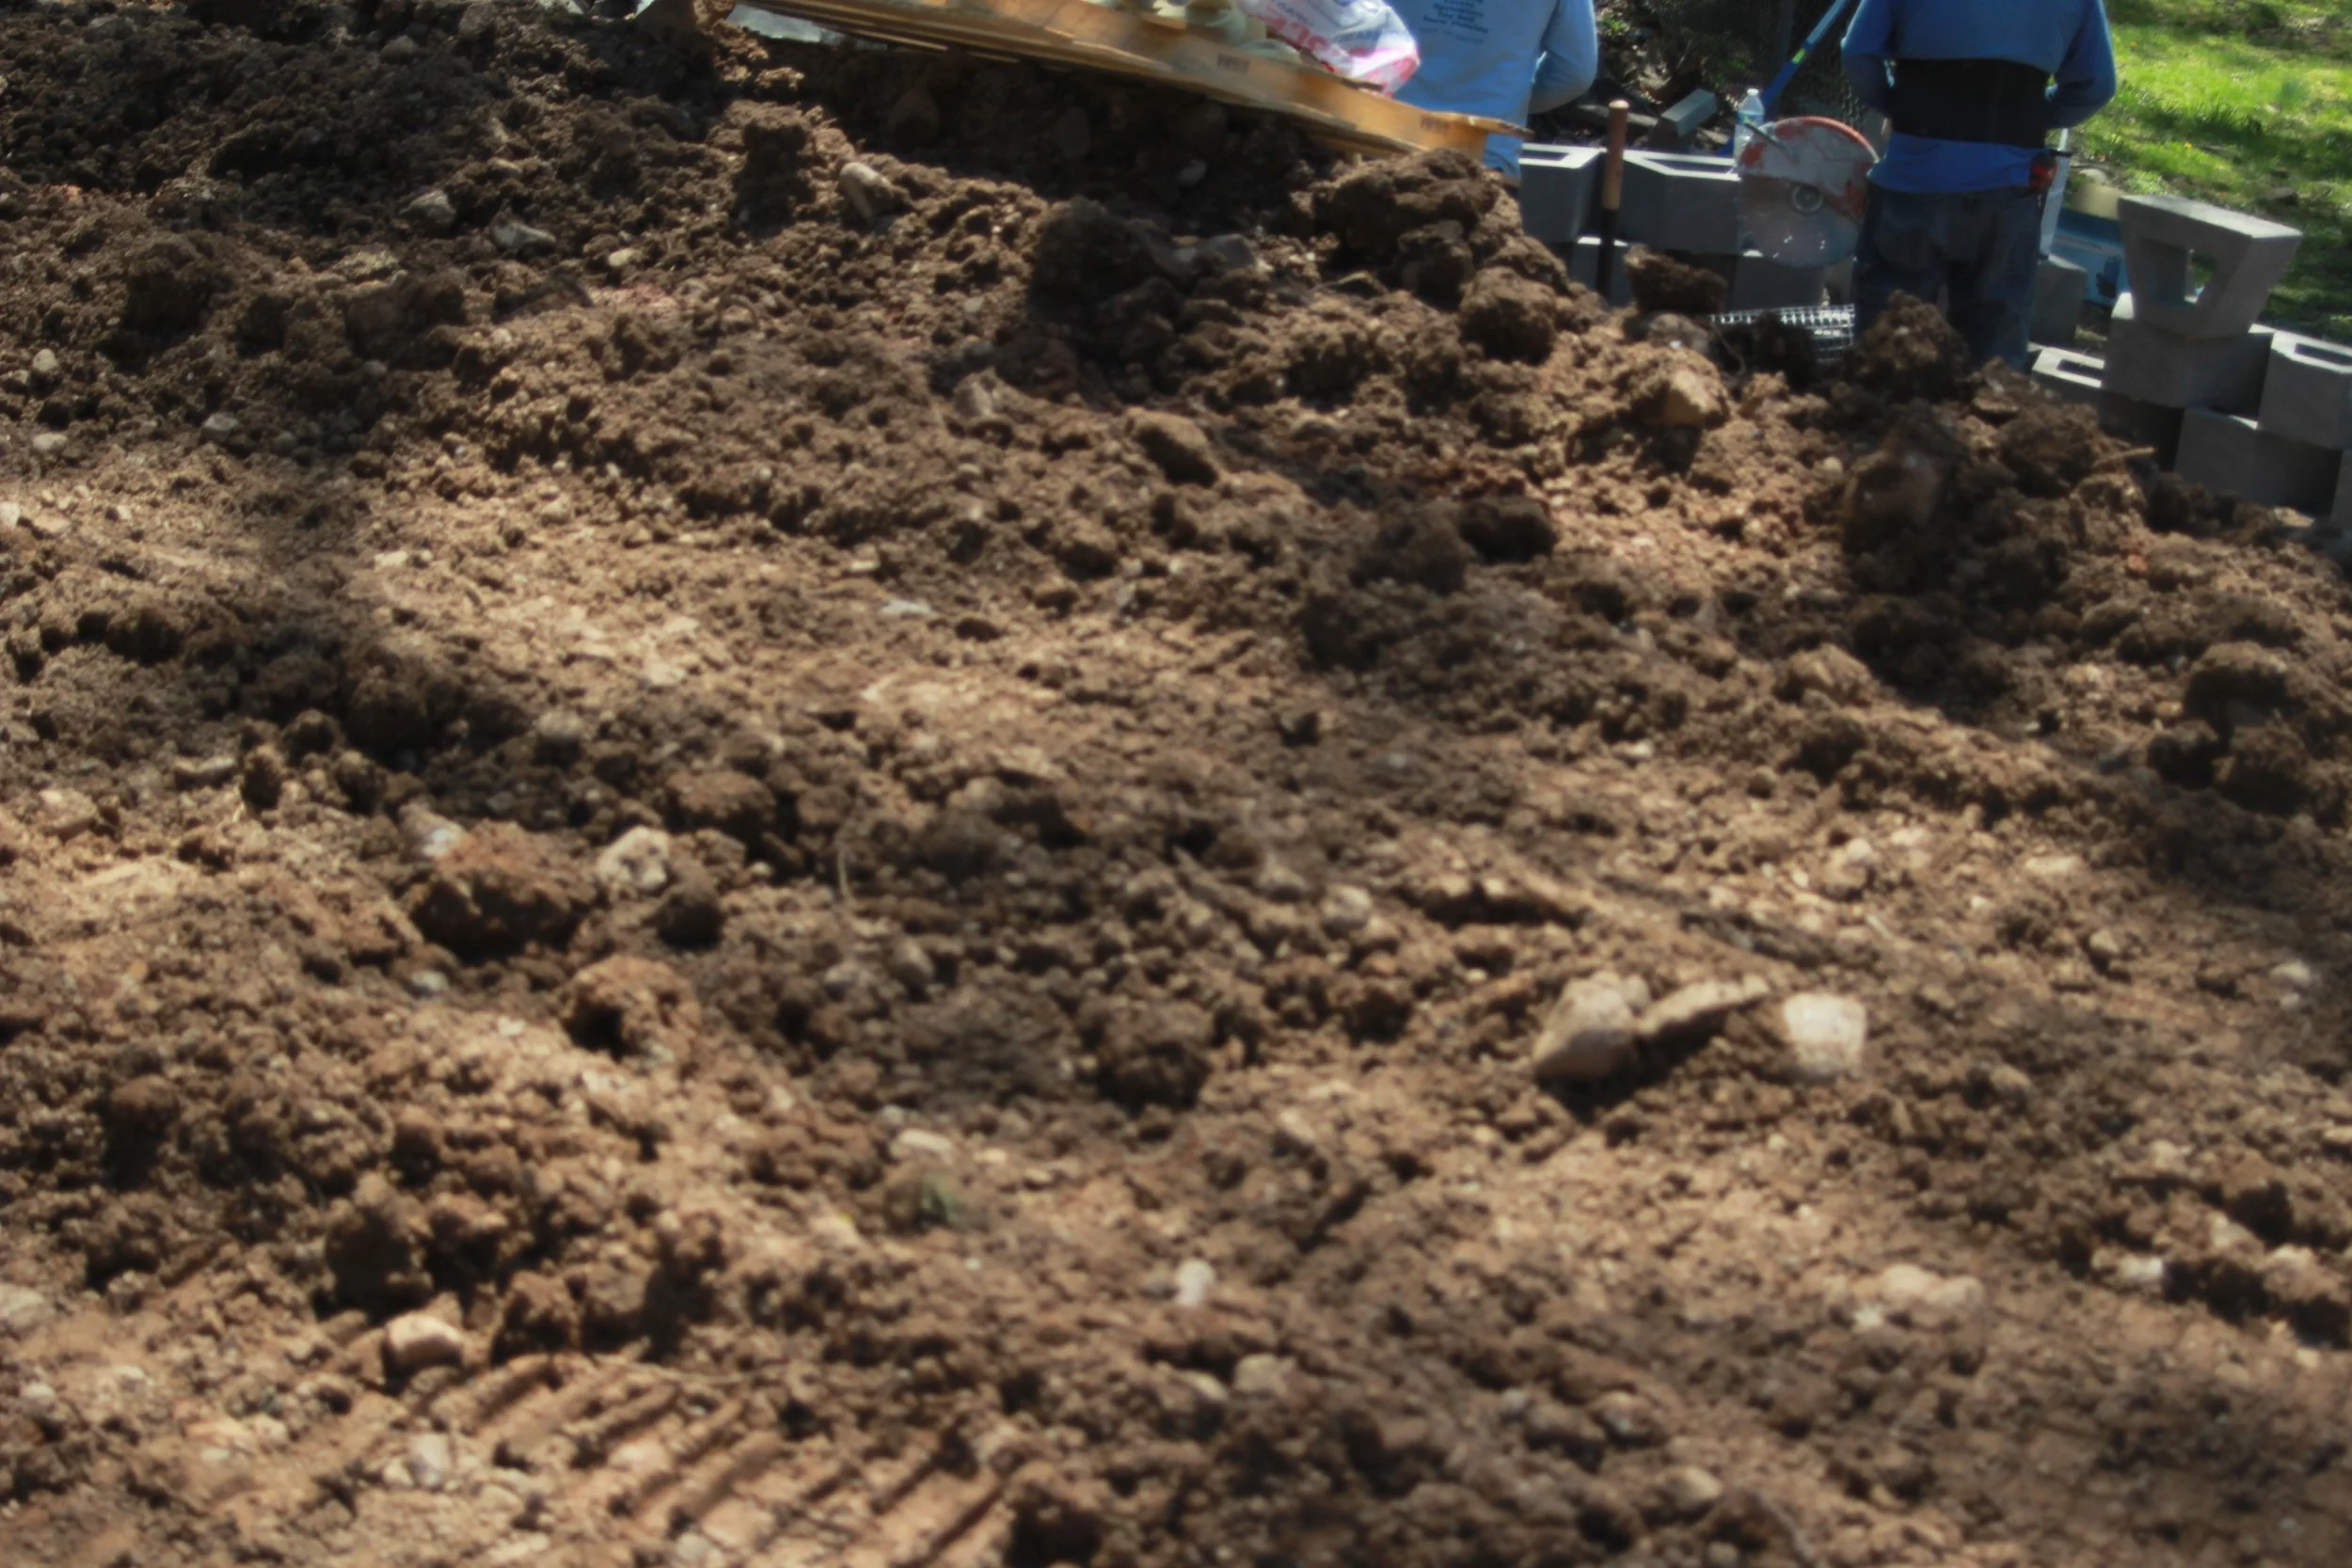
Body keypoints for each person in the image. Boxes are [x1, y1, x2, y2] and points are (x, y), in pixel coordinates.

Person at [1841, 0, 2117, 369]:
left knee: (1886, 348)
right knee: (1994, 364)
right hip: (2007, 195)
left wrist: (1900, 107)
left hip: (1916, 183)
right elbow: (2096, 85)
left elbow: (1858, 53)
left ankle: (1878, 418)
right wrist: (2030, 119)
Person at [1388, 0, 1598, 182]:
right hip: (1484, 161)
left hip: (1381, 143)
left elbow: (1357, 29)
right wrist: (1510, 100)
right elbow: (1575, 73)